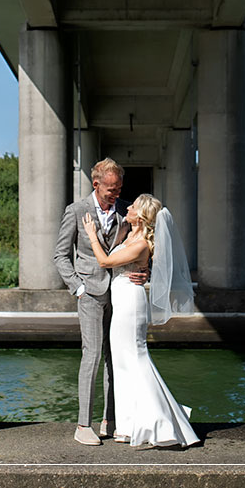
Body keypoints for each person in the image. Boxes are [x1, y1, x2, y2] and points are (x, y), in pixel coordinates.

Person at [83, 193, 200, 448]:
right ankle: (127, 426)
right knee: (123, 363)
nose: (129, 207)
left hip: (130, 305)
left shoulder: (141, 243)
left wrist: (92, 234)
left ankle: (159, 422)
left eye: (134, 205)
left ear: (142, 215)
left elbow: (105, 261)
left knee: (135, 358)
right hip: (122, 301)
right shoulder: (130, 235)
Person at [54, 158, 145, 446]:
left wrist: (145, 273)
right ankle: (83, 425)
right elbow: (60, 255)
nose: (116, 194)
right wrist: (77, 288)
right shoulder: (76, 210)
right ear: (96, 184)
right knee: (91, 355)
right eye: (111, 189)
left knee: (114, 357)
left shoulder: (125, 210)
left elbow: (142, 246)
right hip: (90, 294)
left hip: (119, 293)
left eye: (119, 188)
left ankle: (111, 420)